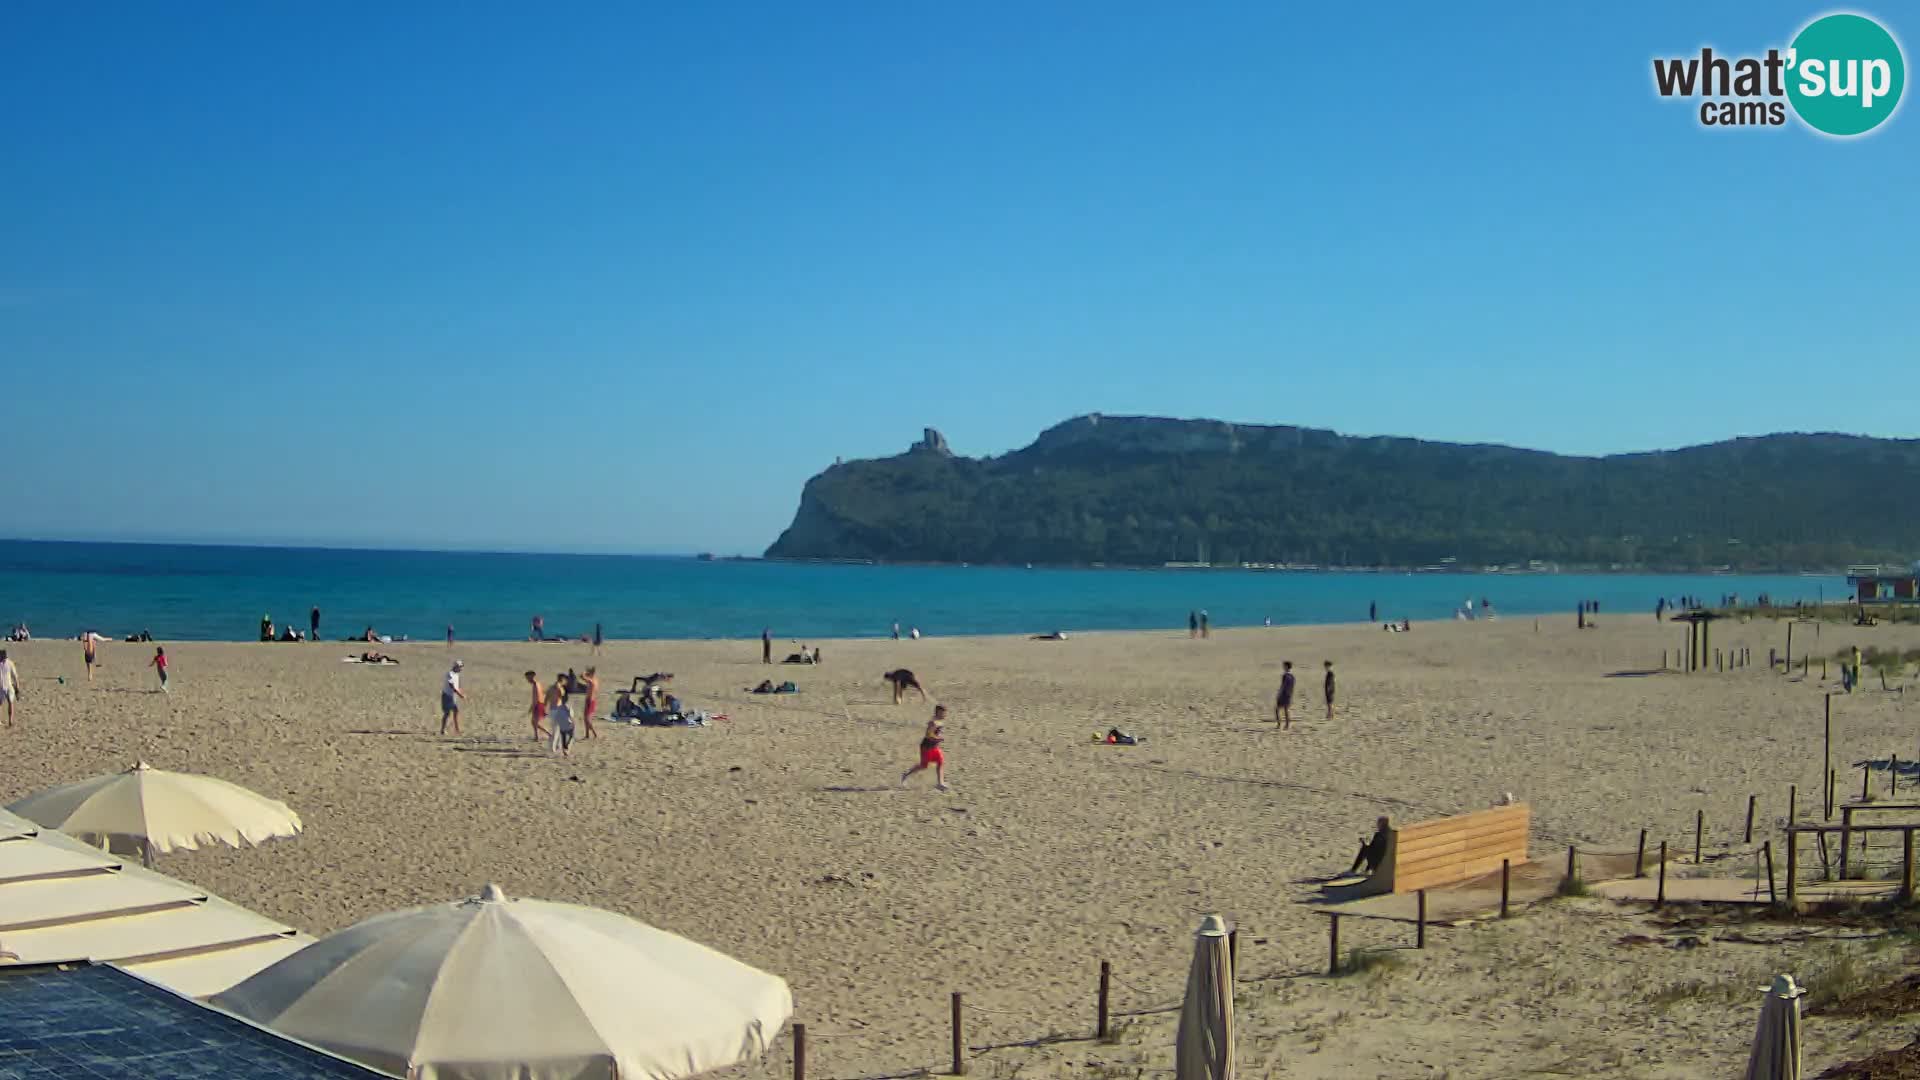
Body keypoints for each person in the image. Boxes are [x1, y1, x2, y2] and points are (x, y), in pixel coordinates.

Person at [901, 705, 949, 790]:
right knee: (923, 766)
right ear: (938, 712)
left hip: (934, 746)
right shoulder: (934, 722)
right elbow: (928, 734)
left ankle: (940, 783)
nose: (945, 715)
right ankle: (906, 774)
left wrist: (938, 738)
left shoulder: (939, 721)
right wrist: (939, 738)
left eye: (945, 713)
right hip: (926, 747)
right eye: (943, 713)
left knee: (941, 762)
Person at [547, 673, 575, 756]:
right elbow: (563, 699)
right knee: (559, 730)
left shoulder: (550, 688)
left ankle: (554, 747)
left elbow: (546, 699)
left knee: (554, 730)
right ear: (562, 680)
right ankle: (555, 748)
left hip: (552, 710)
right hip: (558, 710)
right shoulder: (560, 688)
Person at [440, 660, 465, 736]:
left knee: (456, 711)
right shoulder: (450, 674)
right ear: (456, 667)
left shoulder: (456, 675)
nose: (461, 669)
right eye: (460, 667)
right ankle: (443, 729)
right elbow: (452, 686)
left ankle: (457, 730)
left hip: (453, 696)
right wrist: (460, 694)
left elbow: (457, 686)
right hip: (447, 696)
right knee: (447, 714)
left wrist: (461, 692)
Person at [525, 670, 550, 740]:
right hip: (539, 704)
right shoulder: (537, 684)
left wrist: (532, 707)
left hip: (538, 704)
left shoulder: (535, 685)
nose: (527, 680)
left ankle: (548, 734)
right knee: (534, 722)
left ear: (532, 676)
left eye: (528, 678)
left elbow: (536, 697)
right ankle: (537, 736)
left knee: (535, 722)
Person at [0, 649, 19, 725]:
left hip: (2, 686)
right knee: (10, 703)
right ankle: (10, 721)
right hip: (8, 686)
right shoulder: (10, 663)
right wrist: (17, 688)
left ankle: (8, 720)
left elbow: (15, 677)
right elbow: (15, 677)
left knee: (1, 704)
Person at [1275, 661, 1295, 729]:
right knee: (1286, 710)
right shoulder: (1292, 676)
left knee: (1277, 709)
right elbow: (1292, 687)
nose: (1283, 667)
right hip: (1288, 695)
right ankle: (1287, 725)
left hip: (1283, 695)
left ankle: (1279, 724)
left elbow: (1283, 686)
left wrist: (1279, 694)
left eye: (1284, 666)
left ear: (1286, 666)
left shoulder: (1285, 675)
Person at [580, 667, 599, 740]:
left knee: (587, 719)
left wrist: (585, 672)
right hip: (589, 700)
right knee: (585, 718)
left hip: (590, 701)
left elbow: (582, 676)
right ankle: (587, 734)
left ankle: (594, 733)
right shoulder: (594, 680)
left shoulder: (592, 681)